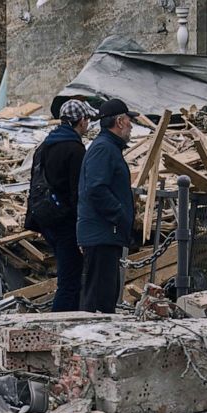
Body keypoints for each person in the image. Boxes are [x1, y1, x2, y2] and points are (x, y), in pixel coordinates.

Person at [25, 99, 97, 311]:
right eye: (88, 119)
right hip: (66, 222)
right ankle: (60, 324)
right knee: (70, 282)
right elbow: (78, 193)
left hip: (46, 218)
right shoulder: (75, 150)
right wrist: (82, 225)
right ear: (81, 120)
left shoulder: (45, 145)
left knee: (66, 277)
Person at [76, 98, 138, 313]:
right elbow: (96, 189)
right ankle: (90, 342)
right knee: (98, 300)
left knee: (104, 296)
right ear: (120, 121)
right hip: (102, 233)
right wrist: (119, 215)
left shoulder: (108, 147)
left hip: (104, 233)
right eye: (129, 120)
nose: (131, 125)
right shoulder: (104, 149)